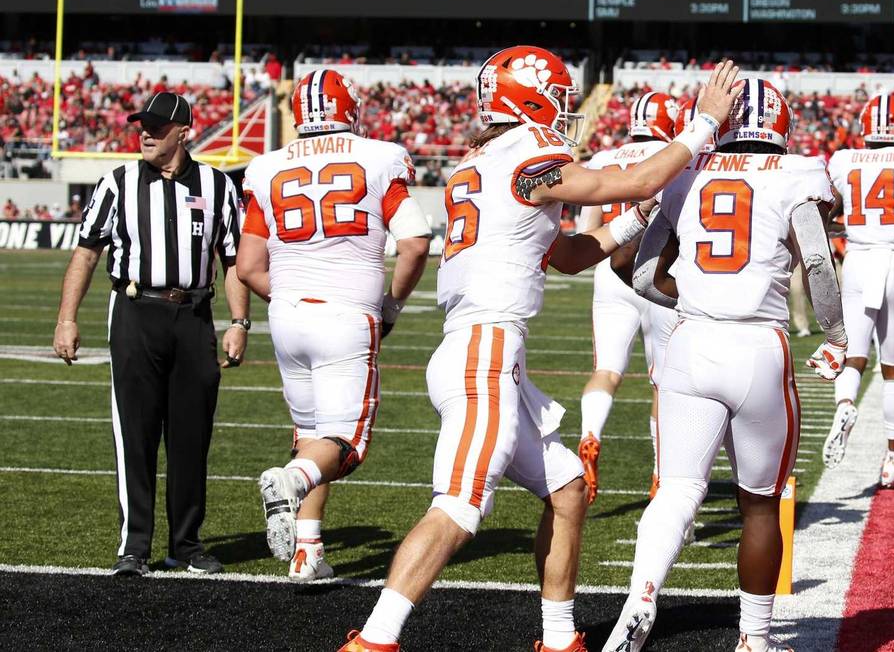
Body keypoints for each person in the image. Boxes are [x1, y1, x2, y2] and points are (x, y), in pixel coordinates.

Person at [338, 48, 741, 652]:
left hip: (492, 352)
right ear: (529, 97)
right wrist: (703, 124)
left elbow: (571, 255)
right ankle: (373, 641)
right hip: (484, 351)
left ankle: (558, 639)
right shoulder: (526, 155)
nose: (564, 111)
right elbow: (627, 179)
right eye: (557, 96)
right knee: (458, 508)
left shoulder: (480, 164)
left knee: (569, 486)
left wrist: (636, 219)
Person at [607, 78, 847, 652]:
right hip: (759, 345)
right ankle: (755, 640)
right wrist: (836, 334)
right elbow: (816, 260)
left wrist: (692, 303)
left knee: (676, 491)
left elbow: (633, 272)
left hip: (690, 343)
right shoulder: (800, 173)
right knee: (760, 503)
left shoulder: (685, 174)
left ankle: (641, 599)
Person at [235, 69, 432, 581]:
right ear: (350, 108)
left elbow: (248, 266)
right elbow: (415, 240)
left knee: (312, 435)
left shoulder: (266, 166)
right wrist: (391, 306)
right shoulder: (377, 156)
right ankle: (290, 482)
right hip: (346, 314)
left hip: (287, 316)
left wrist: (294, 298)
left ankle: (308, 551)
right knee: (344, 446)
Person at [52, 91, 249, 576]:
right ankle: (133, 546)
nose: (145, 133)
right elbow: (86, 252)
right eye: (143, 125)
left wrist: (239, 322)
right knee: (135, 432)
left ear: (183, 131)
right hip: (136, 310)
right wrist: (66, 318)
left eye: (158, 127)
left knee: (191, 433)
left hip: (194, 316)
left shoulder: (217, 185)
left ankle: (186, 543)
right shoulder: (116, 183)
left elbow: (234, 261)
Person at [820, 93, 894, 486]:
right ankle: (893, 459)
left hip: (856, 259)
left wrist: (844, 227)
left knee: (854, 355)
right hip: (893, 261)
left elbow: (830, 210)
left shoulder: (843, 160)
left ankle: (844, 404)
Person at [576, 91, 681, 504]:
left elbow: (588, 228)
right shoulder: (680, 157)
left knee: (606, 370)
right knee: (664, 382)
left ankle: (590, 434)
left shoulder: (604, 158)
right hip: (661, 271)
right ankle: (660, 474)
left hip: (609, 274)